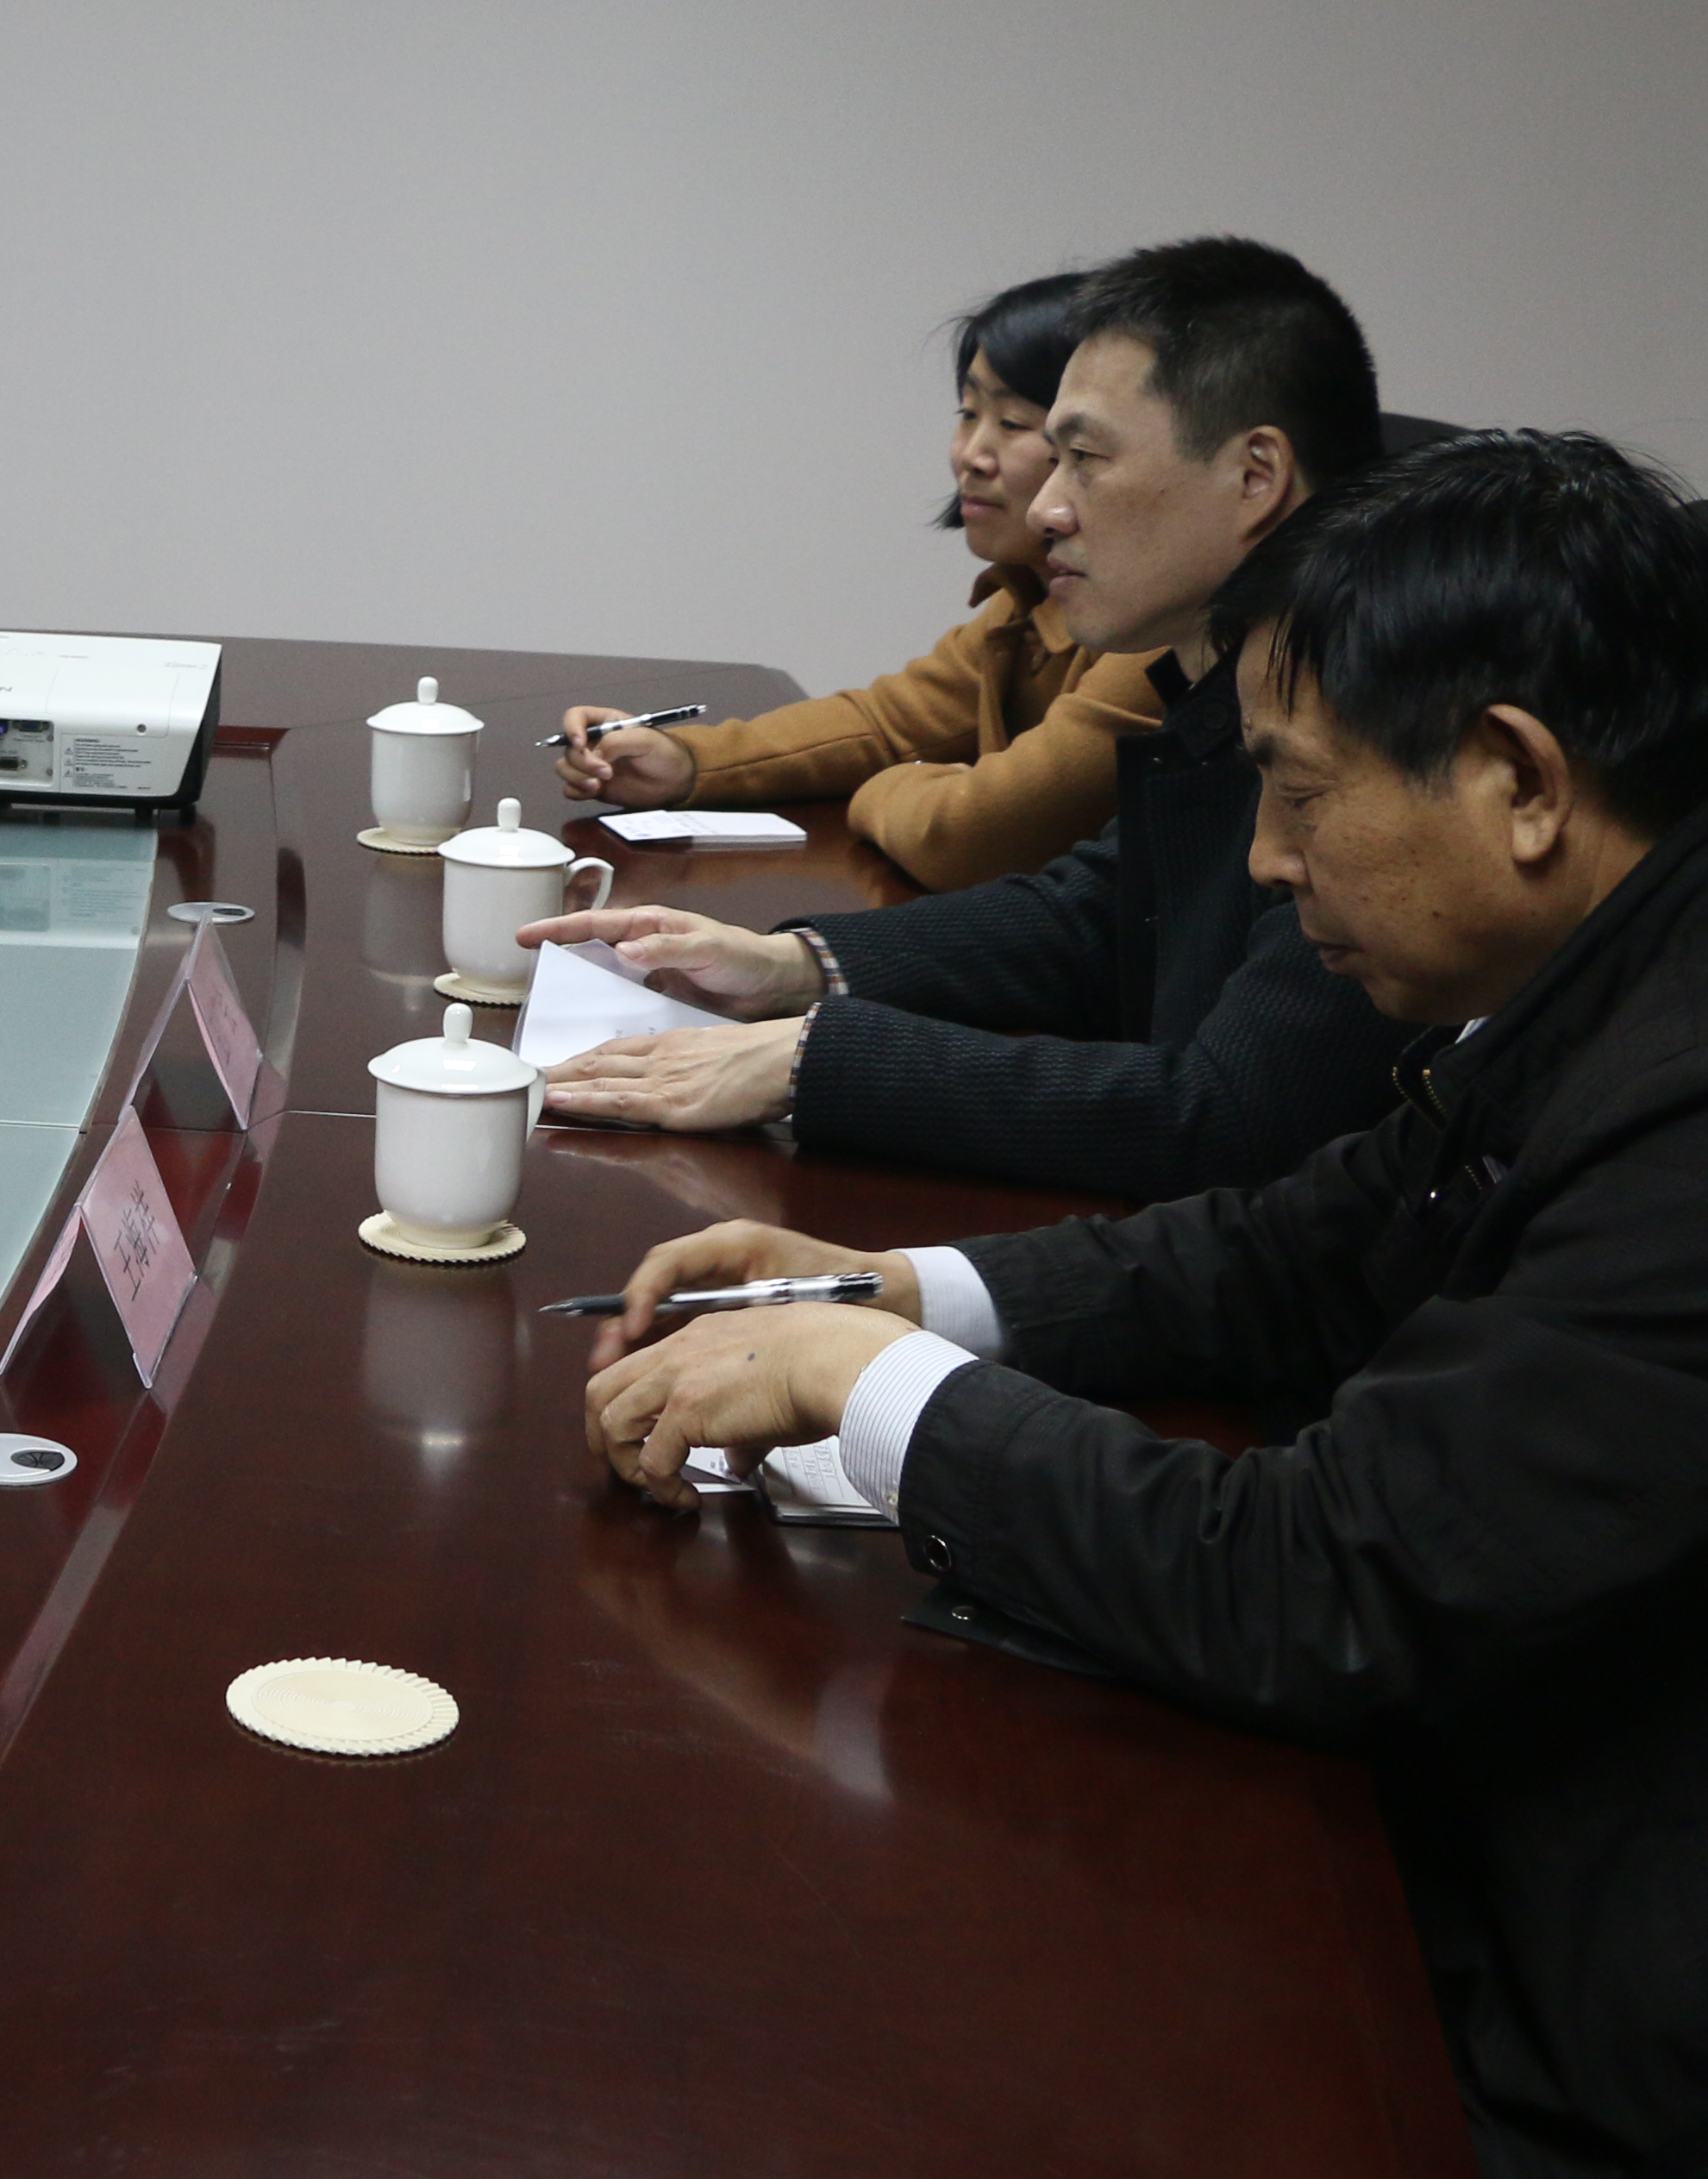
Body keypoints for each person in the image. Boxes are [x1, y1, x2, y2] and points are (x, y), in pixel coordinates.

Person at [575, 430, 1708, 2175]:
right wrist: (899, 1289)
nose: (1264, 860)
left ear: (1519, 781)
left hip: (1565, 2043)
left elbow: (1324, 1584)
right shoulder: (1593, 982)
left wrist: (867, 1383)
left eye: (1302, 795)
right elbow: (1289, 1247)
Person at [529, 237, 1404, 1201]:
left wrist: (817, 1062)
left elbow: (1223, 1114)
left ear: (1255, 476)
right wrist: (791, 965)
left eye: (1085, 460)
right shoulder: (1228, 677)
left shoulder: (1377, 727)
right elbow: (1097, 913)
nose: (1050, 509)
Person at [553, 272, 1165, 890]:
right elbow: (889, 723)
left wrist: (896, 785)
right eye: (968, 413)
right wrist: (686, 763)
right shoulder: (1026, 597)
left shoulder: (1152, 630)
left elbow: (965, 837)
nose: (971, 455)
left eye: (1012, 423)